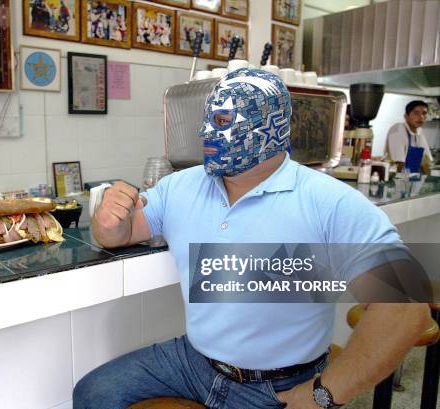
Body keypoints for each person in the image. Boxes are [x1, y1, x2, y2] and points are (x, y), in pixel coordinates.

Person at [73, 68, 430, 409]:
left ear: (270, 127)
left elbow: (406, 307)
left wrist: (323, 394)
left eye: (224, 122)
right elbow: (119, 234)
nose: (206, 132)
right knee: (94, 393)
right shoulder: (180, 186)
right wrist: (109, 222)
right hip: (193, 361)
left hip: (283, 384)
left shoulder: (329, 202)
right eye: (208, 118)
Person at [385, 100, 434, 174]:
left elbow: (426, 162)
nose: (421, 117)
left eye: (424, 113)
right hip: (398, 181)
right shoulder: (398, 129)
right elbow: (398, 164)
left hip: (414, 181)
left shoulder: (419, 132)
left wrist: (430, 180)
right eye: (416, 113)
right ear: (406, 116)